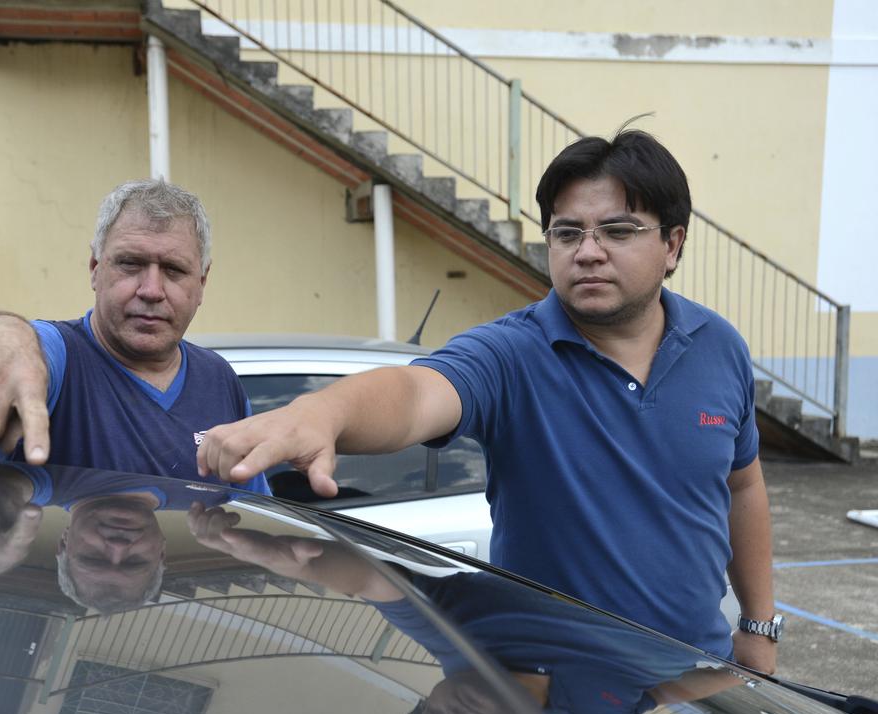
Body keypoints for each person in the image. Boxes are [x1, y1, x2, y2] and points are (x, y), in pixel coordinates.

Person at [195, 129, 780, 672]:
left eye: (619, 231)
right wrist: (319, 413)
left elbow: (742, 485)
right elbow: (417, 392)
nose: (588, 251)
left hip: (697, 684)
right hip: (552, 694)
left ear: (672, 245)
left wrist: (757, 626)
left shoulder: (718, 346)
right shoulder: (511, 354)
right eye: (567, 232)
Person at [186, 502, 745, 714]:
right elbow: (669, 690)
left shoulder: (448, 632)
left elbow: (368, 580)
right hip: (697, 534)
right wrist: (748, 669)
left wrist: (278, 554)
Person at [0, 178, 268, 493]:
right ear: (95, 268)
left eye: (174, 270)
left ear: (202, 284)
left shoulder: (219, 379)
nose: (151, 290)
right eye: (130, 264)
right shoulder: (62, 359)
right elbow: (18, 343)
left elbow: (257, 518)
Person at [0, 461, 230, 613]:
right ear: (161, 553)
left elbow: (0, 483)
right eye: (134, 561)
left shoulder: (49, 477)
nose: (117, 547)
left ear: (64, 543)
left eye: (94, 556)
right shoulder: (218, 492)